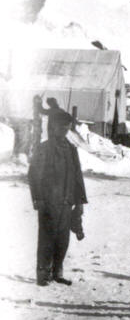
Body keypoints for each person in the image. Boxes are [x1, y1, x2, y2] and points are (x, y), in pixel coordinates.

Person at [28, 109, 87, 286]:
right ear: (53, 127)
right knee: (47, 237)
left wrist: (80, 202)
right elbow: (33, 174)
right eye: (61, 128)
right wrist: (38, 198)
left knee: (63, 239)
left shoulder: (71, 149)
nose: (64, 132)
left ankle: (57, 272)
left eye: (67, 129)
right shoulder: (44, 148)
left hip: (66, 201)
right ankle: (43, 274)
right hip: (48, 201)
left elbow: (78, 176)